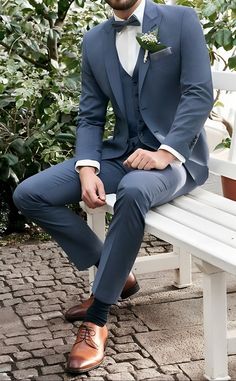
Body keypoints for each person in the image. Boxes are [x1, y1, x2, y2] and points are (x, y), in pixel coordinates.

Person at [13, 0, 214, 374]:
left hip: (176, 160)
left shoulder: (180, 19)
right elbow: (90, 114)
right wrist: (87, 168)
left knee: (136, 189)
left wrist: (166, 152)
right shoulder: (94, 41)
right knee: (30, 193)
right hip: (121, 153)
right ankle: (117, 272)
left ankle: (98, 317)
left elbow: (199, 93)